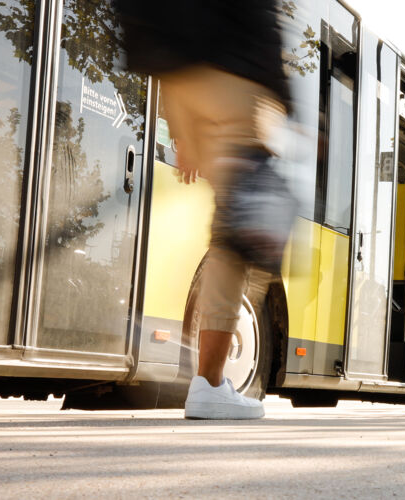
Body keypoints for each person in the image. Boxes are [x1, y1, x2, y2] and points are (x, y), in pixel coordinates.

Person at [116, 0, 292, 419]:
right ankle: (210, 384)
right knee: (239, 239)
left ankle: (209, 383)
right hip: (235, 78)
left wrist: (182, 127)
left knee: (231, 224)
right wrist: (287, 101)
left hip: (178, 73)